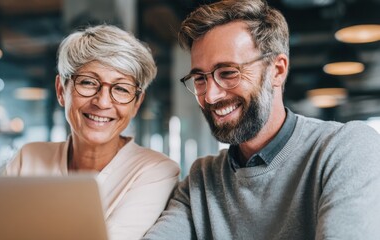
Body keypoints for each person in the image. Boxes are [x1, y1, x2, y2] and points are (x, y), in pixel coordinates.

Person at [143, 0, 380, 239]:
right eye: (200, 79)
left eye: (228, 73)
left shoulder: (347, 148)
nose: (211, 96)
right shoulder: (203, 179)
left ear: (277, 70)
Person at [4, 24, 180, 240]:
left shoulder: (156, 170)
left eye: (121, 89)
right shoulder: (28, 158)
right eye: (88, 82)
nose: (102, 102)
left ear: (136, 103)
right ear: (61, 90)